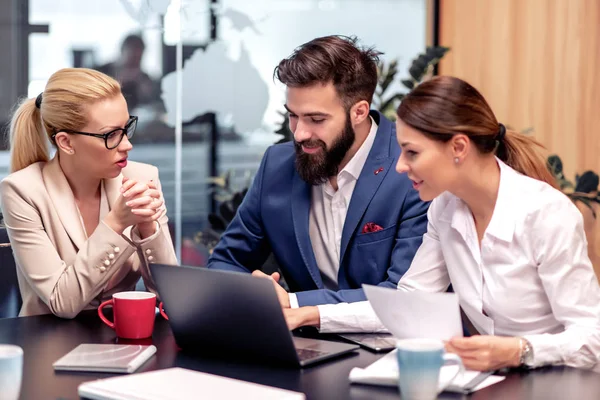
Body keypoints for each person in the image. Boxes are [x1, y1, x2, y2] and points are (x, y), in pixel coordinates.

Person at [282, 76, 600, 372]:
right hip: (494, 381)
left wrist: (519, 350)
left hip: (561, 381)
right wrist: (309, 314)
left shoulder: (545, 214)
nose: (400, 167)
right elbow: (409, 303)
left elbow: (593, 339)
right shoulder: (444, 208)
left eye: (412, 153)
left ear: (458, 148)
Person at [207, 35, 429, 309]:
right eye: (292, 115)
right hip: (302, 344)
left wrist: (294, 303)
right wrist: (256, 291)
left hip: (393, 343)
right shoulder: (277, 165)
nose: (299, 134)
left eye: (316, 119)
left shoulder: (411, 167)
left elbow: (402, 294)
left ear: (359, 112)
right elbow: (225, 262)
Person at [0, 68, 178, 318]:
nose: (127, 144)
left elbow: (172, 299)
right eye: (111, 134)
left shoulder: (141, 178)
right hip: (47, 344)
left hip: (125, 339)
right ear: (66, 143)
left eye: (126, 128)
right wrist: (116, 223)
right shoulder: (22, 191)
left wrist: (148, 229)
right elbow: (62, 302)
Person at [95, 34, 159, 111]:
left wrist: (144, 90)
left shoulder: (143, 78)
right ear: (122, 51)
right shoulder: (101, 71)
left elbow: (151, 103)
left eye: (138, 58)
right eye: (132, 56)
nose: (135, 63)